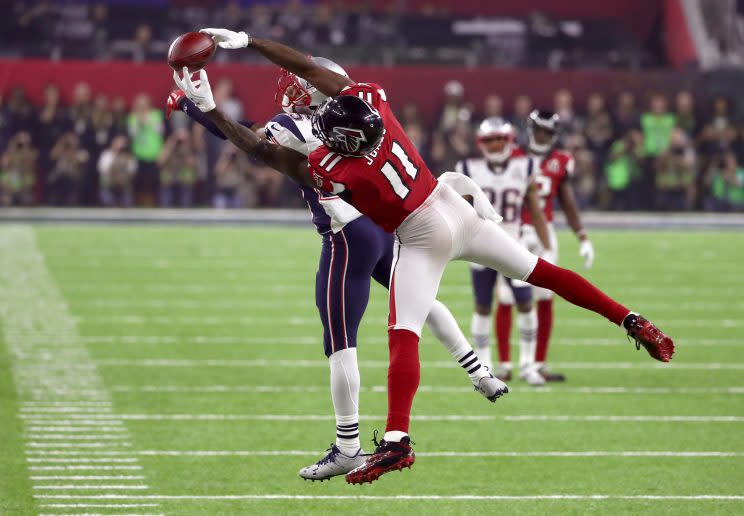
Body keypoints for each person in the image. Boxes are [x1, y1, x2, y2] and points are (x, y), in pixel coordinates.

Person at [177, 29, 674, 485]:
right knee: (543, 272)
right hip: (455, 208)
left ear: (340, 140)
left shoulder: (335, 169)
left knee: (403, 334)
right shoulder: (374, 101)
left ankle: (396, 440)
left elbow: (268, 154)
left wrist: (209, 111)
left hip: (422, 237)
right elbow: (311, 70)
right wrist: (248, 41)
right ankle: (628, 318)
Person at [168, 54, 506, 482]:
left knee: (340, 339)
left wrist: (194, 106)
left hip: (345, 236)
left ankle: (348, 446)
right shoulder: (360, 111)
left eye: (296, 84)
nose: (289, 90)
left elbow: (247, 140)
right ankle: (480, 374)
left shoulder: (290, 126)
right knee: (417, 302)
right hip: (382, 226)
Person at [495, 110, 595, 383]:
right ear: (530, 129)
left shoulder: (561, 161)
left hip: (544, 234)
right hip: (513, 231)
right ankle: (504, 364)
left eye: (547, 132)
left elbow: (567, 201)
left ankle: (537, 364)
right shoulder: (511, 154)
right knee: (506, 296)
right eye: (539, 130)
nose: (542, 137)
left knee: (544, 297)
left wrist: (582, 236)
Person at [455, 118, 552, 386]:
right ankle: (484, 366)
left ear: (509, 141)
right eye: (490, 140)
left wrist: (547, 247)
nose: (495, 144)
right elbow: (461, 212)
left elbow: (534, 208)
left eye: (499, 139)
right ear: (481, 143)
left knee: (524, 302)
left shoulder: (526, 166)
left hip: (514, 245)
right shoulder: (468, 169)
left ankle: (527, 365)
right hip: (480, 245)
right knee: (483, 306)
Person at [98, 135, 137, 207]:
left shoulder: (129, 157)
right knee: (106, 196)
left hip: (123, 185)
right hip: (109, 185)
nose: (120, 148)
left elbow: (132, 172)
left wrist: (125, 161)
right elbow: (103, 171)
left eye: (123, 145)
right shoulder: (106, 155)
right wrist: (116, 161)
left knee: (127, 197)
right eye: (118, 144)